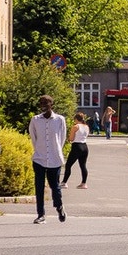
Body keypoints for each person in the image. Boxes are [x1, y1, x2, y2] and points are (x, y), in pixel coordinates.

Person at [28, 95, 67, 224]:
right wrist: (40, 150)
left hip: (54, 159)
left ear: (52, 105)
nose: (43, 105)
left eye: (46, 103)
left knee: (54, 187)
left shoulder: (59, 120)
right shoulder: (35, 120)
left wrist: (56, 151)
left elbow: (61, 138)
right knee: (39, 187)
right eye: (41, 103)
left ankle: (59, 207)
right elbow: (34, 138)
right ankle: (41, 214)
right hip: (39, 158)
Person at [63, 112, 91, 190]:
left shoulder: (75, 127)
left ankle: (64, 182)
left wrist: (68, 139)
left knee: (68, 165)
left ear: (76, 119)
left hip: (76, 146)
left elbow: (71, 138)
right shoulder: (86, 127)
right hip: (85, 147)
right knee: (83, 165)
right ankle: (84, 183)